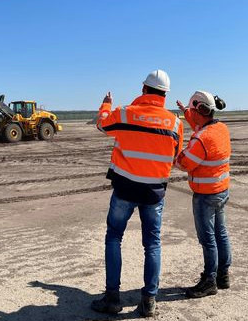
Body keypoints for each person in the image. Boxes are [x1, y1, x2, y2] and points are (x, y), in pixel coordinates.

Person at [91, 70, 184, 317]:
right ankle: (149, 301)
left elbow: (102, 124)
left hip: (125, 189)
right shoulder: (176, 123)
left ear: (144, 90)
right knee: (152, 243)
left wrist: (106, 104)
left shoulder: (125, 113)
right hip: (154, 193)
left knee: (114, 237)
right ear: (165, 95)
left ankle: (112, 298)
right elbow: (175, 157)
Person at [174, 91, 232, 299]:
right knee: (221, 234)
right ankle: (223, 275)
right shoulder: (220, 129)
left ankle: (209, 280)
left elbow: (183, 163)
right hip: (221, 190)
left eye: (191, 110)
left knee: (208, 239)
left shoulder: (200, 139)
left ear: (199, 110)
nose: (190, 113)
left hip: (205, 195)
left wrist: (176, 149)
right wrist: (186, 113)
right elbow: (201, 124)